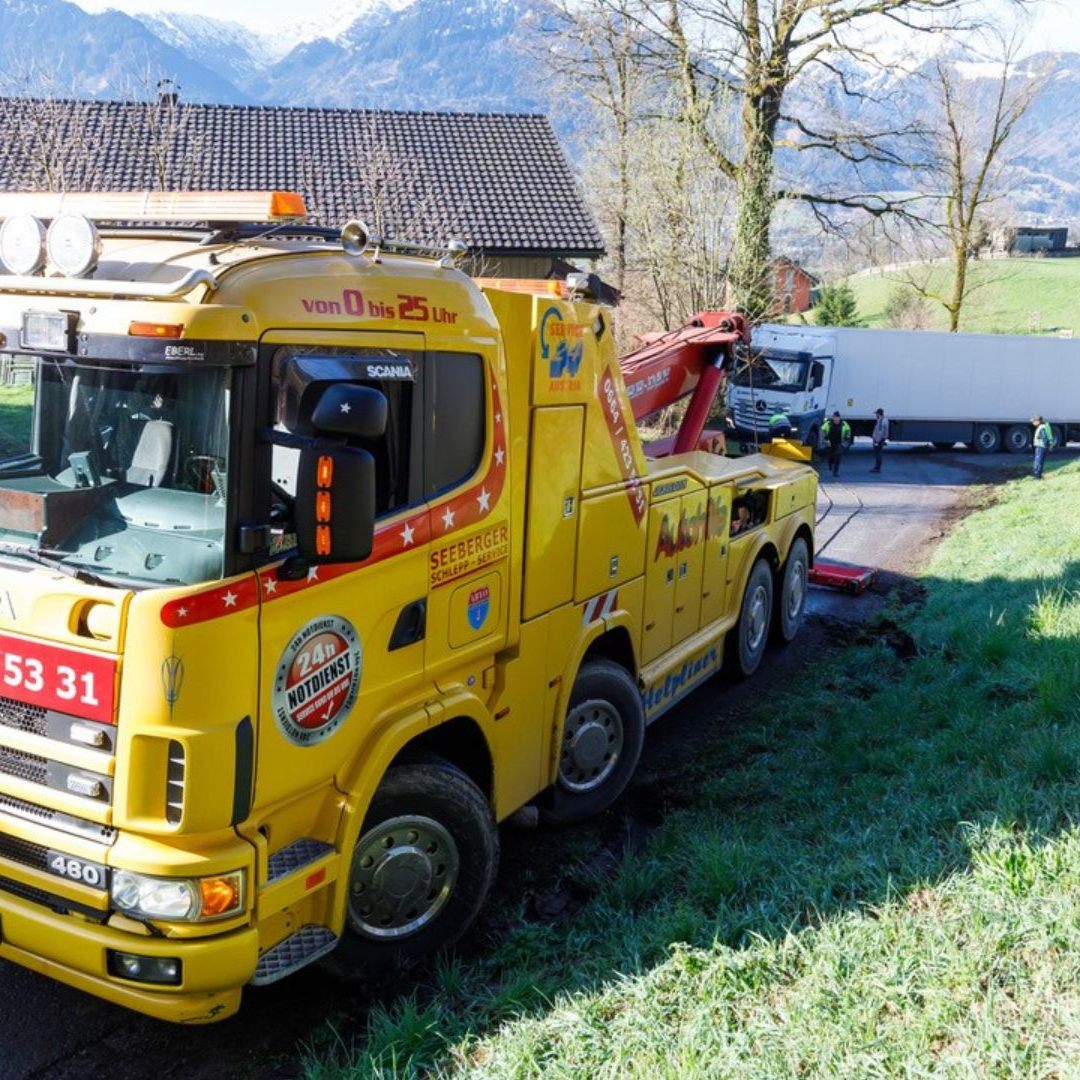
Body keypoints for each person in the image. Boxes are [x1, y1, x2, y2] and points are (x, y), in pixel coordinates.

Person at [820, 410, 851, 478]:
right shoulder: (828, 423)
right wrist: (825, 440)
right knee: (830, 457)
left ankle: (835, 472)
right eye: (834, 417)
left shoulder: (844, 424)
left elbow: (848, 431)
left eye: (837, 417)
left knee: (838, 457)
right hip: (830, 443)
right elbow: (822, 431)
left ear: (839, 418)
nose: (836, 419)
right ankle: (830, 464)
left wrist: (846, 441)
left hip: (839, 443)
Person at [870, 407, 889, 473]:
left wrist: (877, 440)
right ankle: (877, 467)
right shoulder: (884, 419)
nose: (875, 415)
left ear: (879, 414)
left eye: (876, 414)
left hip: (879, 440)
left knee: (878, 454)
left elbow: (880, 432)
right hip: (881, 439)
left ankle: (877, 469)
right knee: (878, 453)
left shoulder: (881, 421)